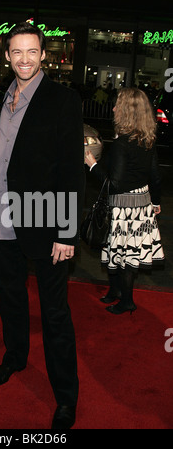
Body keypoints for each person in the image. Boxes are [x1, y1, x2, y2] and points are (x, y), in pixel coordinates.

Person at [0, 22, 85, 429]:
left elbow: (71, 170)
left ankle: (66, 398)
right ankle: (15, 357)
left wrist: (67, 231)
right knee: (9, 297)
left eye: (32, 51)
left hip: (44, 218)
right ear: (7, 56)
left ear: (43, 55)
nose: (24, 59)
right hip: (1, 216)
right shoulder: (1, 98)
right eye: (16, 52)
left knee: (54, 311)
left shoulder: (62, 100)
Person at [85, 87, 165, 315]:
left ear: (127, 112)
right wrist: (156, 202)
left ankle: (126, 300)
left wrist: (92, 164)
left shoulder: (122, 143)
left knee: (122, 253)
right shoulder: (146, 138)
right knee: (122, 251)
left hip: (123, 207)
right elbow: (155, 176)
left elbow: (115, 184)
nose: (113, 108)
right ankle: (115, 292)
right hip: (142, 204)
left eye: (117, 105)